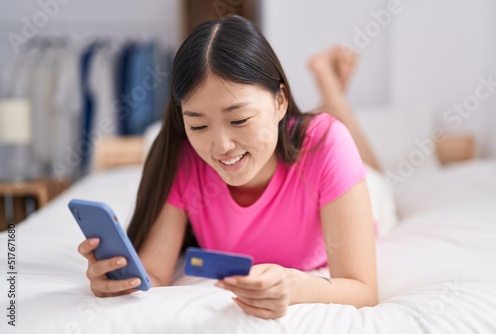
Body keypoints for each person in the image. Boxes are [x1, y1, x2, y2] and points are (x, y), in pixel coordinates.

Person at [78, 15, 379, 320]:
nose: (221, 146)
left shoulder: (326, 144)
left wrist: (296, 286)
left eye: (238, 120)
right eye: (199, 125)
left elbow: (362, 288)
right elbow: (152, 275)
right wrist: (117, 281)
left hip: (362, 190)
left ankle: (331, 89)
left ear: (280, 101)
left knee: (366, 159)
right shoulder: (183, 159)